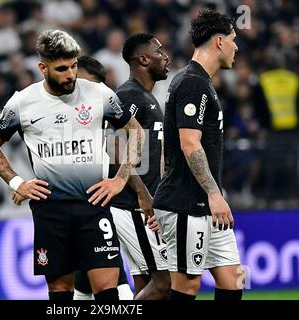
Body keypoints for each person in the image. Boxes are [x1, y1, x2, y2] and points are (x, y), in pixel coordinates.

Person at [0, 30, 144, 301]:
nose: (70, 74)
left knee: (107, 290)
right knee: (59, 291)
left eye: (74, 66)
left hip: (93, 204)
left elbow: (136, 131)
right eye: (61, 69)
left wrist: (120, 179)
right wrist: (17, 182)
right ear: (42, 68)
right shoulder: (23, 102)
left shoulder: (99, 94)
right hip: (51, 208)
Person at [153, 9, 245, 300]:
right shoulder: (193, 83)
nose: (236, 47)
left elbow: (168, 146)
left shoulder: (200, 82)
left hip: (201, 202)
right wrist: (214, 193)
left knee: (234, 279)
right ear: (218, 42)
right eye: (232, 39)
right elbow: (189, 143)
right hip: (186, 203)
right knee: (187, 286)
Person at [107, 33, 171, 300]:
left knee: (146, 282)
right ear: (143, 59)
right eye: (159, 51)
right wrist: (143, 192)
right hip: (132, 205)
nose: (166, 56)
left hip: (142, 205)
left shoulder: (148, 98)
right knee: (165, 283)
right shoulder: (128, 95)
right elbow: (113, 145)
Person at [72, 55, 134, 301]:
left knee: (103, 283)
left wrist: (134, 189)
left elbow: (128, 147)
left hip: (104, 209)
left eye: (95, 85)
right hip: (71, 210)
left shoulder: (106, 118)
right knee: (86, 283)